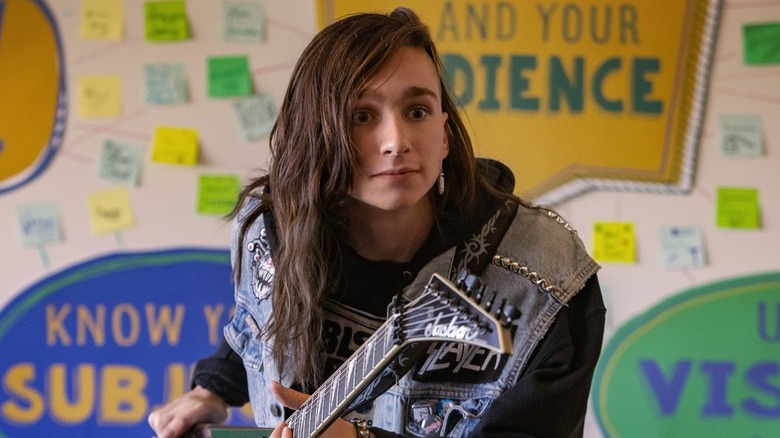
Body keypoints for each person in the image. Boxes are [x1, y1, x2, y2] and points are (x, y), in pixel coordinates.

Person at [149, 7, 605, 438]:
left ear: (444, 134)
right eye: (361, 116)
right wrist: (211, 389)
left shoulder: (545, 275)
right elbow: (259, 320)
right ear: (316, 136)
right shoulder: (269, 234)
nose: (396, 141)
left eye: (417, 111)